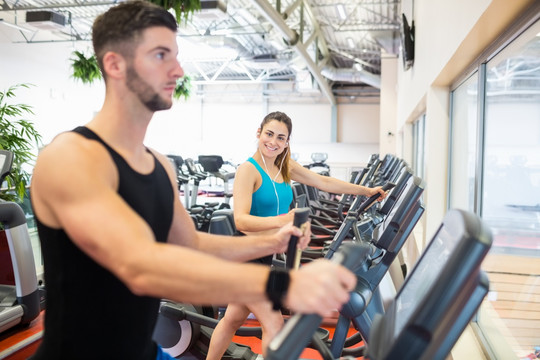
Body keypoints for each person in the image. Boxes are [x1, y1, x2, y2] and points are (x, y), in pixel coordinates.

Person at [28, 3, 357, 360]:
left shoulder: (158, 166)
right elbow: (141, 266)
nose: (178, 70)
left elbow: (191, 244)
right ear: (114, 64)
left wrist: (273, 241)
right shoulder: (71, 156)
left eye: (176, 56)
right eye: (160, 55)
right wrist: (281, 285)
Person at [206, 111, 388, 359]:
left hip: (269, 253)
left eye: (281, 137)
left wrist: (365, 191)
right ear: (259, 134)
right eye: (269, 134)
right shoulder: (247, 170)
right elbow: (241, 220)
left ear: (287, 141)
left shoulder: (285, 166)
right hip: (248, 256)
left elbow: (323, 182)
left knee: (233, 319)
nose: (274, 142)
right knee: (274, 324)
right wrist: (284, 221)